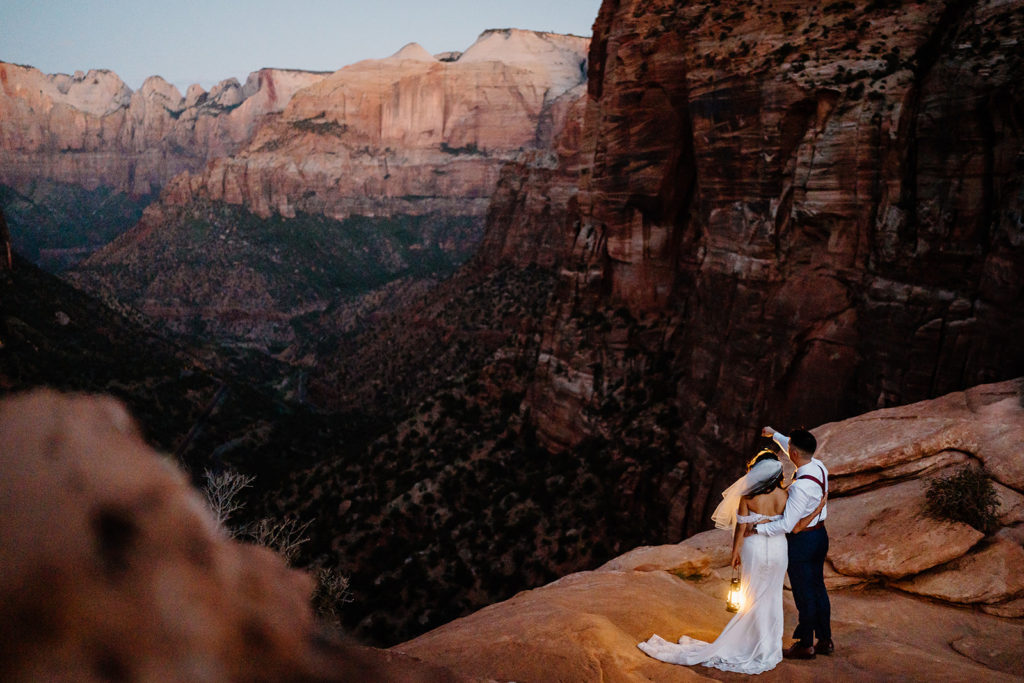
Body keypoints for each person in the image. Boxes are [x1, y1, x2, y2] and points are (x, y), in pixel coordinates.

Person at [637, 448, 826, 674]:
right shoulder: (786, 496)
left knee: (752, 595)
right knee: (772, 596)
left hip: (753, 549)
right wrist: (818, 508)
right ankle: (767, 648)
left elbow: (742, 527)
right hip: (777, 549)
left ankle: (748, 643)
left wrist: (735, 552)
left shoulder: (748, 497)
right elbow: (793, 526)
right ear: (777, 475)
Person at [747, 426, 832, 659]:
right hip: (820, 537)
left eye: (789, 449)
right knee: (818, 588)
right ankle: (825, 640)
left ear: (794, 454)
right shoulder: (819, 466)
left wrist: (758, 528)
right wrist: (774, 434)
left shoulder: (800, 487)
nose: (787, 451)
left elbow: (786, 525)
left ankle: (806, 645)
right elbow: (791, 446)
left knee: (804, 593)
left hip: (803, 542)